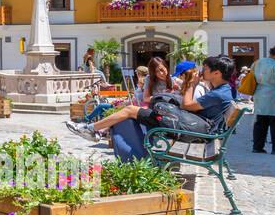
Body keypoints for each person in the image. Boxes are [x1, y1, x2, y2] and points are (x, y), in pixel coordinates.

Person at [73, 56, 236, 160]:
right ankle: (94, 129)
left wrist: (192, 85)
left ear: (216, 73)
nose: (201, 71)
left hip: (190, 130)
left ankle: (92, 129)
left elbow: (187, 104)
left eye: (205, 69)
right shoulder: (222, 90)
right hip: (192, 126)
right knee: (131, 111)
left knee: (130, 111)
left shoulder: (219, 93)